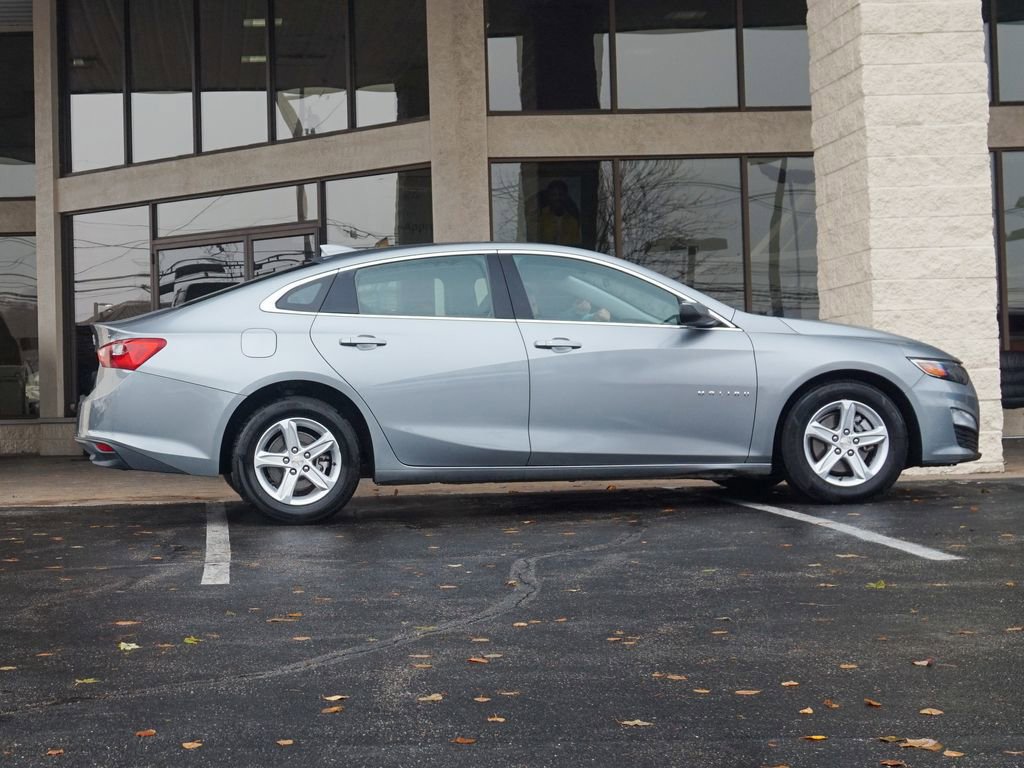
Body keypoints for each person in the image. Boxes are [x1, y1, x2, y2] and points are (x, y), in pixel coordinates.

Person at [537, 180, 582, 246]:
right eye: (554, 195)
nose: (557, 198)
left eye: (560, 194)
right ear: (549, 197)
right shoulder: (540, 218)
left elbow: (576, 244)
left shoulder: (572, 221)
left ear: (566, 196)